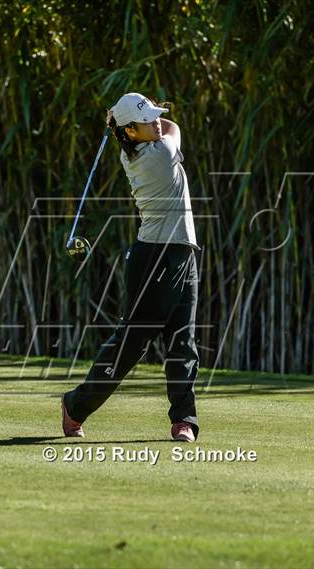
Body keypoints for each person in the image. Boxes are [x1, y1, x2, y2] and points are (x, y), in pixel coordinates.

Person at [61, 92, 201, 442]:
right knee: (131, 344)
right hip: (154, 257)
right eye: (147, 119)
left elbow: (160, 123)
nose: (156, 121)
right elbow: (174, 126)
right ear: (131, 132)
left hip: (182, 253)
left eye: (154, 115)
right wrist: (122, 121)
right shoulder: (160, 154)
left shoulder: (138, 147)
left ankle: (183, 419)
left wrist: (120, 122)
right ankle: (75, 406)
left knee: (183, 339)